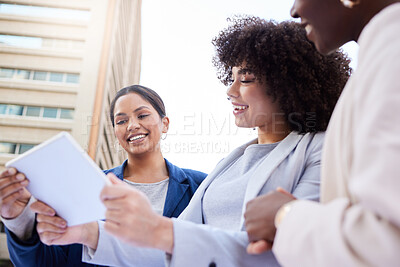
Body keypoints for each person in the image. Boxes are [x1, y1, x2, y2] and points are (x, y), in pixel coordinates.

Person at [69, 17, 349, 267]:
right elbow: (169, 250)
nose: (231, 90)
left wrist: (160, 230)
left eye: (246, 78)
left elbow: (295, 253)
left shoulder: (322, 149)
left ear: (287, 83)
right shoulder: (229, 164)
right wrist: (89, 233)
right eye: (231, 78)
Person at [244, 1, 400, 266]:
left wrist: (286, 217)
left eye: (246, 79)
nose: (293, 11)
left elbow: (388, 241)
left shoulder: (392, 52)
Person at [0, 85, 207, 266]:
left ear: (165, 124)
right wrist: (18, 220)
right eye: (121, 121)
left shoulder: (201, 186)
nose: (132, 125)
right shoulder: (86, 186)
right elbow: (50, 262)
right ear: (116, 132)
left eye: (142, 115)